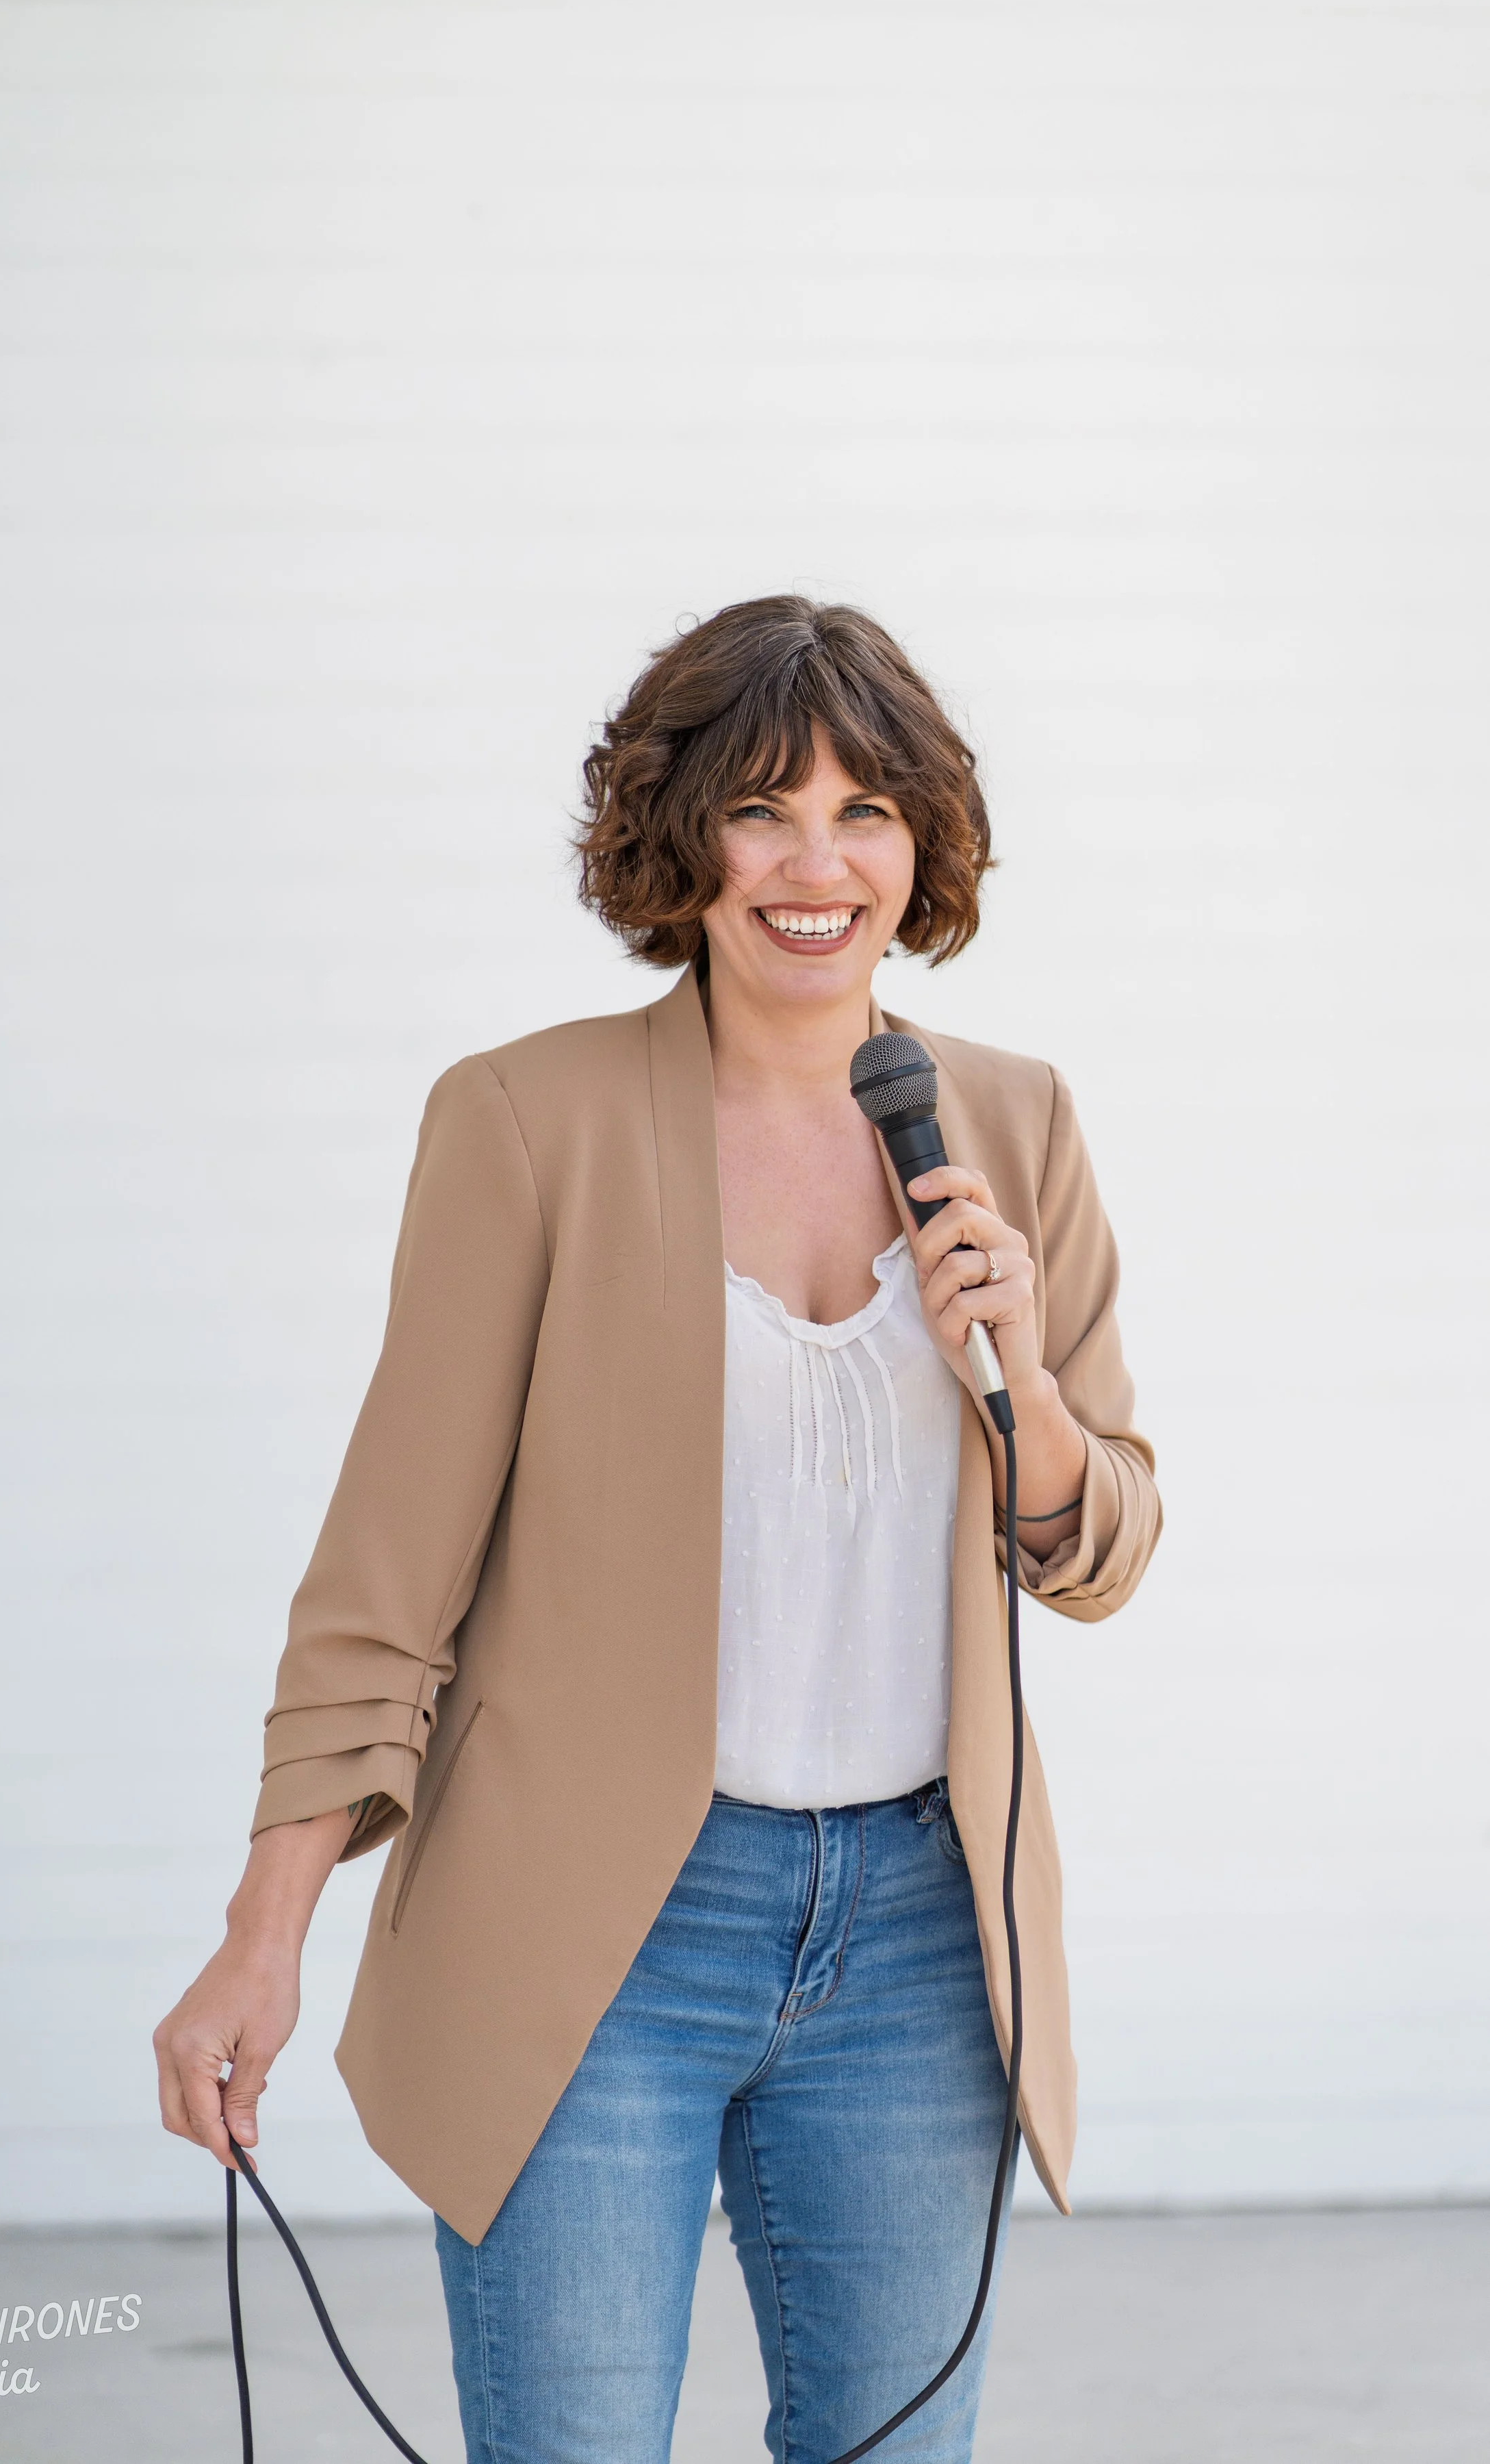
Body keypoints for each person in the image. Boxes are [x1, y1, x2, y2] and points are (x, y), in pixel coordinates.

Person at [154, 596, 1161, 2463]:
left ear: (922, 844)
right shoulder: (525, 1121)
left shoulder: (1010, 1124)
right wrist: (262, 1934)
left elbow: (1096, 1544)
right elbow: (386, 1581)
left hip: (924, 1937)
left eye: (866, 811)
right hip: (600, 1934)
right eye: (760, 807)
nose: (814, 863)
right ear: (672, 836)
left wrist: (1008, 1372)